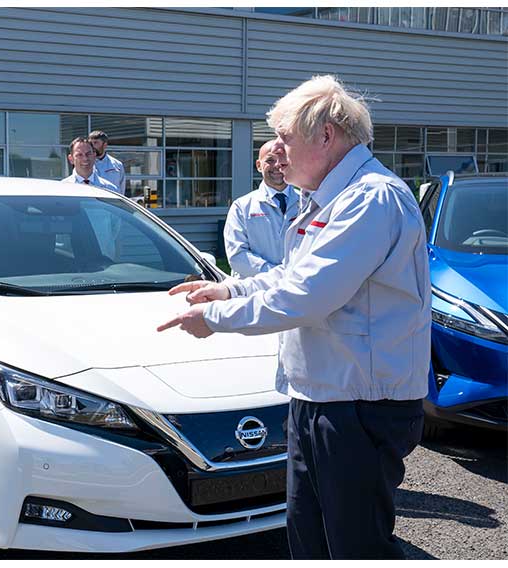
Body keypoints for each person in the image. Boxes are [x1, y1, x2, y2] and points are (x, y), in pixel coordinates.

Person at [157, 75, 429, 560]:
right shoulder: (331, 198)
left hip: (358, 406)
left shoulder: (370, 198)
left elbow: (306, 296)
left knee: (354, 548)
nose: (276, 152)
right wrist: (230, 287)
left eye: (285, 138)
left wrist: (217, 317)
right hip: (322, 397)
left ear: (326, 135)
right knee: (309, 540)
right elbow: (291, 275)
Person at [223, 139, 299, 277]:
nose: (277, 166)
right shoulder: (242, 207)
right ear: (259, 165)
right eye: (270, 160)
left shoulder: (307, 203)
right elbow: (238, 256)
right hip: (255, 291)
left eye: (283, 160)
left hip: (297, 289)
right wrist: (278, 276)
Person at [89, 130, 126, 195]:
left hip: (111, 202)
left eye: (95, 143)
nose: (92, 146)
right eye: (90, 143)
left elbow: (121, 188)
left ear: (105, 145)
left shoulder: (117, 165)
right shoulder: (85, 164)